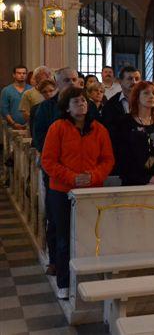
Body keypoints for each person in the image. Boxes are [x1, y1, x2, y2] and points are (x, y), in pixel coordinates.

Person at [41, 87, 114, 299]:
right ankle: (64, 283)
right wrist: (72, 177)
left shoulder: (99, 129)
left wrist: (93, 176)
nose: (81, 104)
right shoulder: (57, 128)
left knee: (91, 237)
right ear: (66, 107)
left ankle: (89, 280)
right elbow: (48, 161)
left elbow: (108, 160)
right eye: (75, 101)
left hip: (91, 192)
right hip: (62, 191)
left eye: (83, 100)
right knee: (64, 238)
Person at [31, 67, 80, 278]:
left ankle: (78, 260)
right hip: (55, 173)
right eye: (67, 80)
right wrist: (63, 165)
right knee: (55, 217)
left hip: (81, 174)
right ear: (57, 83)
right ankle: (55, 261)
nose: (72, 83)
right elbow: (41, 142)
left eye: (75, 79)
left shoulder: (86, 107)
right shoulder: (45, 109)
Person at [113, 81, 154, 186]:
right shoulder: (125, 122)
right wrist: (145, 179)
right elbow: (122, 155)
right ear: (136, 97)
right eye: (146, 93)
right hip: (133, 181)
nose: (151, 96)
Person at [100, 66, 141, 137]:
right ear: (120, 82)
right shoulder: (110, 105)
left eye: (137, 79)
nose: (134, 82)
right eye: (129, 79)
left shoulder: (146, 101)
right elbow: (109, 132)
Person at [1, 65, 31, 129]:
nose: (22, 75)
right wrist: (13, 124)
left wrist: (28, 123)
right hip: (11, 127)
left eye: (24, 73)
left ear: (26, 75)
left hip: (29, 126)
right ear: (14, 75)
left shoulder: (31, 90)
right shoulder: (6, 90)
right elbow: (4, 110)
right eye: (19, 73)